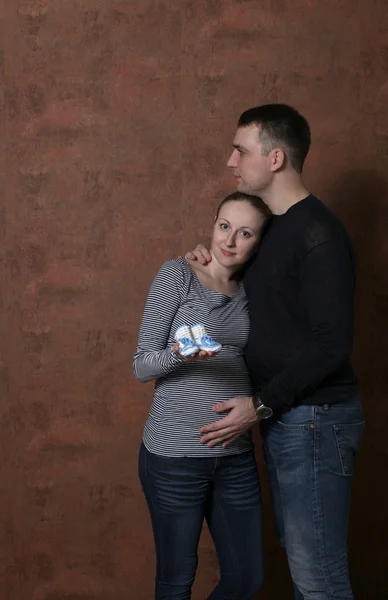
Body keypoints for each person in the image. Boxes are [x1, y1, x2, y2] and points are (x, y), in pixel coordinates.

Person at [187, 104, 364, 600]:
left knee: (319, 578)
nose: (231, 161)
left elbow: (333, 345)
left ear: (277, 158)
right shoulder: (268, 228)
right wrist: (205, 272)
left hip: (315, 419)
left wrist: (260, 405)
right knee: (302, 564)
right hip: (288, 419)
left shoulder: (318, 234)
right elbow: (252, 311)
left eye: (241, 150)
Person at [133, 191, 270, 600]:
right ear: (212, 226)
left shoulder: (253, 292)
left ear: (259, 242)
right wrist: (181, 352)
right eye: (224, 226)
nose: (229, 241)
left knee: (246, 578)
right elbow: (141, 365)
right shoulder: (178, 274)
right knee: (177, 581)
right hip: (174, 458)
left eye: (245, 233)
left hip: (234, 456)